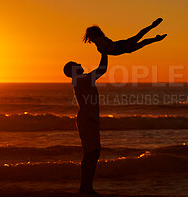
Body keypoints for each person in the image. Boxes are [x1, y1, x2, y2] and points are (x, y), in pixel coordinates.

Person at [63, 52, 108, 195]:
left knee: (92, 153)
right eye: (77, 64)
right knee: (91, 153)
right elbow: (102, 69)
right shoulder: (82, 79)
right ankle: (86, 188)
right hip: (88, 120)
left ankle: (86, 187)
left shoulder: (80, 79)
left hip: (89, 119)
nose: (80, 64)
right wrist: (104, 52)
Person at [83, 18, 167, 55]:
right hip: (121, 45)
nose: (90, 37)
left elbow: (109, 47)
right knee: (140, 37)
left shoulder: (100, 40)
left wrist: (104, 50)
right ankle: (153, 29)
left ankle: (156, 36)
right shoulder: (99, 40)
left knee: (141, 39)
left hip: (122, 47)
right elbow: (109, 46)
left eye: (91, 34)